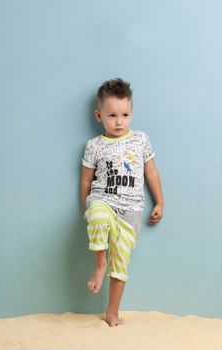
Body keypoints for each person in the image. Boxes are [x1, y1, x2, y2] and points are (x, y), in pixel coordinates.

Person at [80, 77, 164, 327]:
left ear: (131, 113)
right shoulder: (94, 146)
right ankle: (99, 264)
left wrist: (160, 201)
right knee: (97, 214)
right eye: (112, 115)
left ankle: (112, 312)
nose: (119, 121)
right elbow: (86, 181)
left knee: (121, 264)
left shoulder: (140, 140)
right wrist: (87, 207)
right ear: (99, 116)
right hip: (102, 200)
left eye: (124, 114)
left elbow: (151, 172)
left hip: (131, 210)